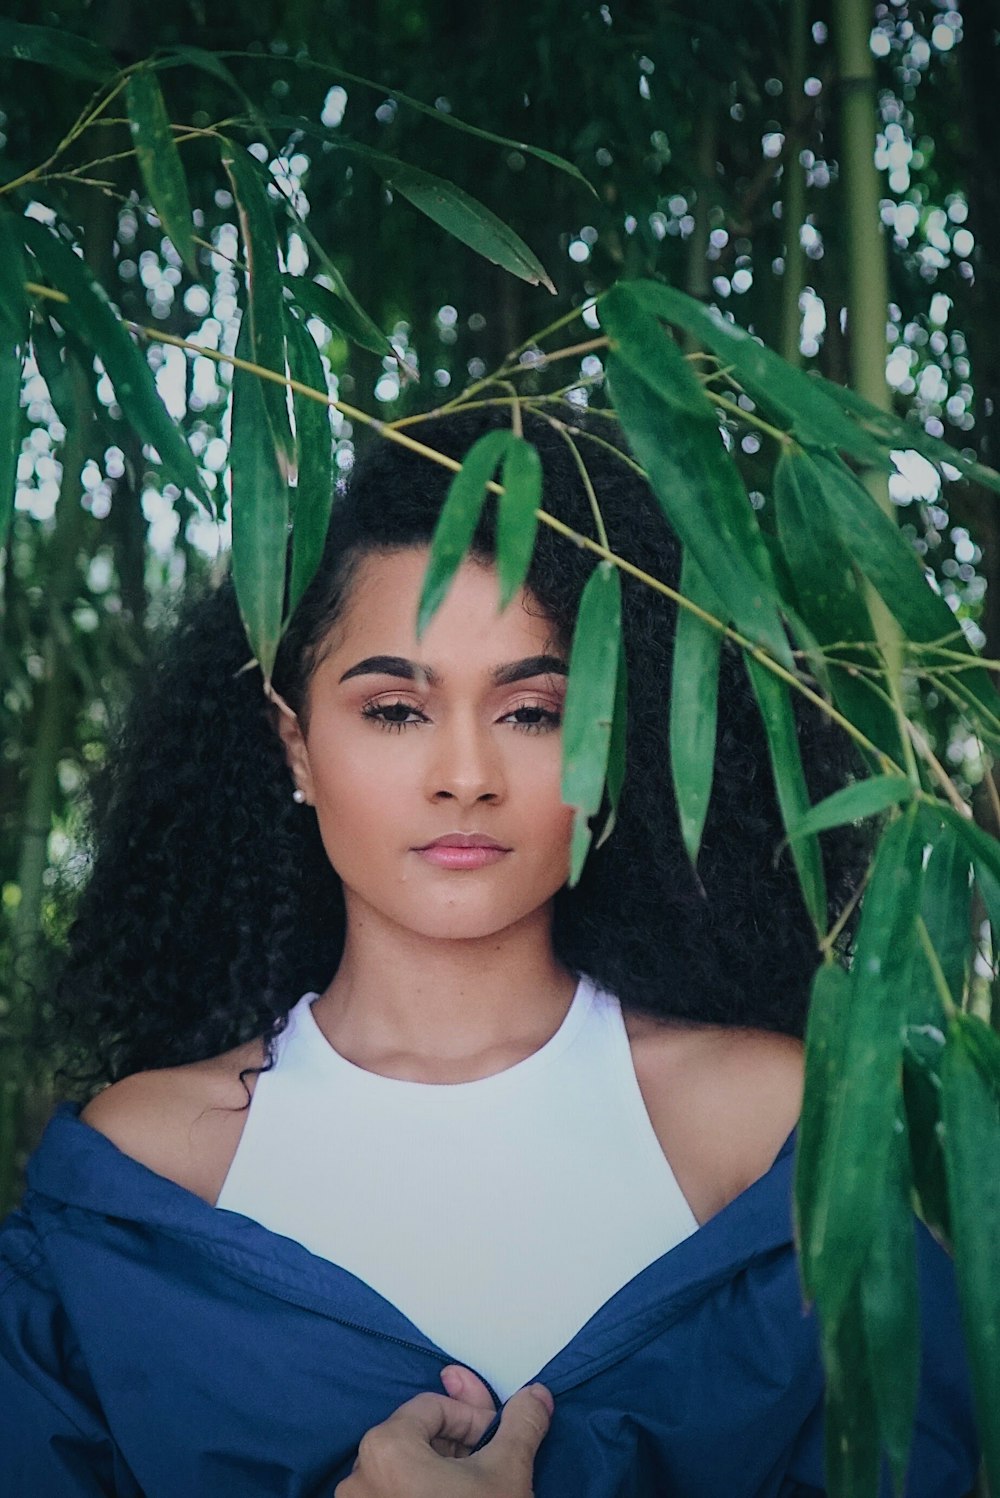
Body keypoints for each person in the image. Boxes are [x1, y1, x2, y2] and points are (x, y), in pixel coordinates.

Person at [0, 407, 977, 1497]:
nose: (464, 773)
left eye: (530, 710)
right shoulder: (138, 1179)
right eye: (393, 710)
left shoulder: (774, 1131)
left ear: (612, 735)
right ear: (296, 745)